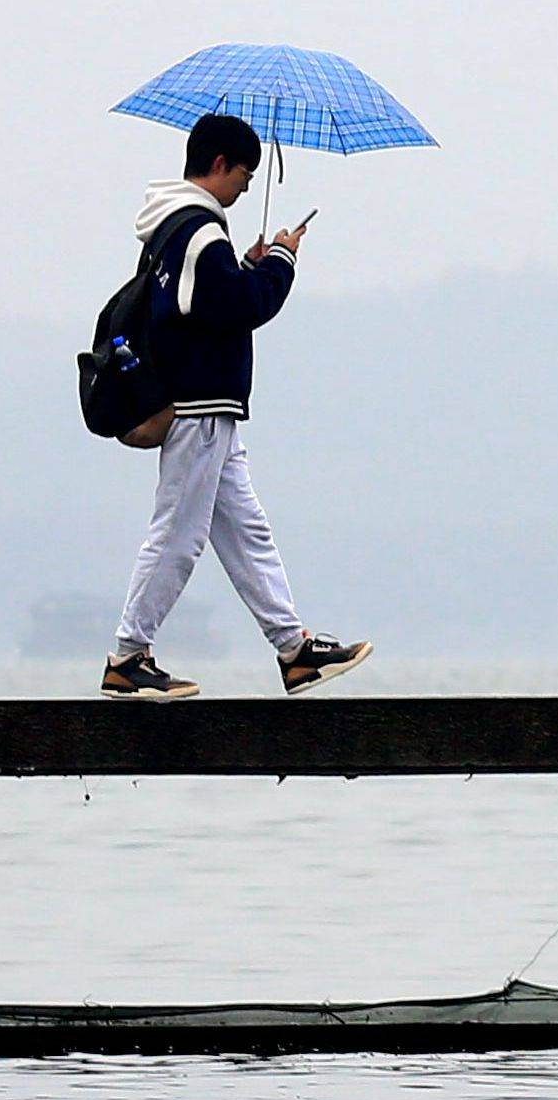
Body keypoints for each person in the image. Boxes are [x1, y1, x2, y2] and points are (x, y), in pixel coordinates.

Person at [103, 112, 366, 697]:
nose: (247, 188)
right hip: (199, 403)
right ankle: (127, 656)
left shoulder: (173, 228)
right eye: (244, 176)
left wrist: (244, 265)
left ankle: (294, 651)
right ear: (219, 164)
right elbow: (242, 308)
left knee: (247, 531)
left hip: (206, 405)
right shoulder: (199, 229)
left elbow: (199, 305)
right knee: (178, 533)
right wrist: (280, 262)